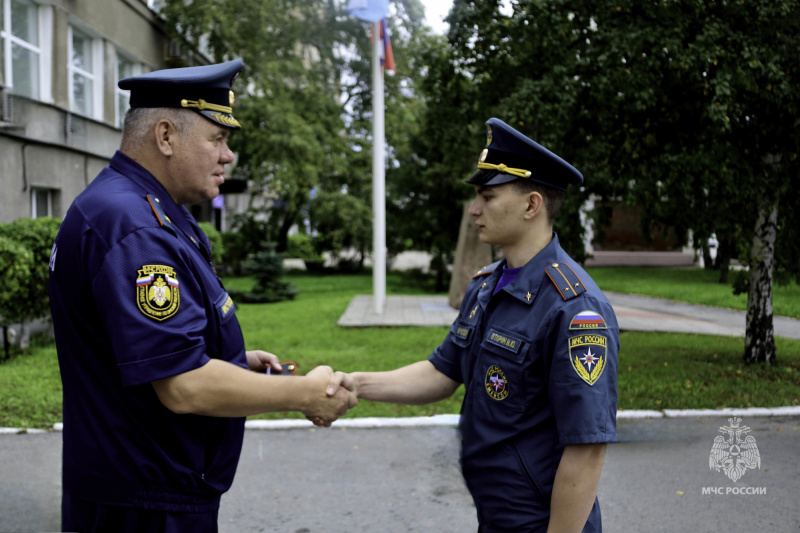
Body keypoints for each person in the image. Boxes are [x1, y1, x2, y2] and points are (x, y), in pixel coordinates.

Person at [48, 59, 357, 533]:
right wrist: (302, 393)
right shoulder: (135, 227)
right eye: (217, 139)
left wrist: (228, 357)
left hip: (142, 486)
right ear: (166, 136)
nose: (228, 155)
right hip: (145, 501)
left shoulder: (143, 209)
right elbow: (183, 385)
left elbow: (146, 349)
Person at [329, 118, 619, 532]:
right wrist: (357, 383)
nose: (474, 209)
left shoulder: (575, 309)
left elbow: (587, 448)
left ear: (531, 205)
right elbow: (441, 372)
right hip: (495, 517)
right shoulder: (487, 286)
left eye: (487, 196)